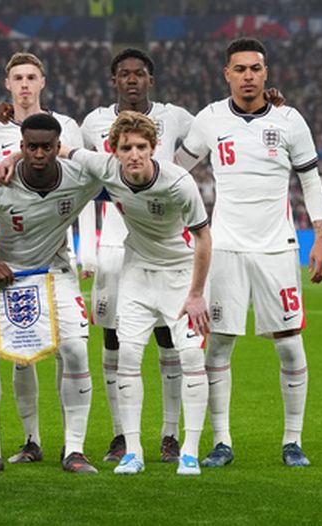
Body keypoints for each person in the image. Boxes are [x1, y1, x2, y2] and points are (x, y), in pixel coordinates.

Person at [175, 38, 322, 468]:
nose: (248, 76)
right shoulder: (209, 118)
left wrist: (321, 236)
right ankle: (222, 441)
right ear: (226, 73)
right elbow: (176, 169)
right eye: (239, 69)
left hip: (277, 250)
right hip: (223, 248)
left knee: (289, 346)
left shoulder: (288, 120)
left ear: (266, 73)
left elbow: (311, 181)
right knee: (219, 345)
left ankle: (292, 441)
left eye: (255, 69)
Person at [0, 113, 103, 475]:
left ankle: (75, 450)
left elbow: (117, 173)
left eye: (46, 147)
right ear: (21, 148)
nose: (39, 153)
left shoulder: (79, 178)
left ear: (58, 148)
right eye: (31, 147)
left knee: (75, 349)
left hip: (55, 271)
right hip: (4, 273)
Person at [66, 111, 211, 475]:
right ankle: (133, 451)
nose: (134, 154)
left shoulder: (178, 183)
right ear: (113, 150)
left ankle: (189, 452)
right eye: (126, 147)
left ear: (154, 147)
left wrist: (196, 294)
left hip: (180, 275)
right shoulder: (106, 167)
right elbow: (63, 151)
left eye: (142, 147)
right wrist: (13, 158)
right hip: (137, 274)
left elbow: (204, 238)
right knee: (128, 357)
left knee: (191, 358)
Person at [78, 48, 195, 463]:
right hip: (114, 244)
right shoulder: (93, 121)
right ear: (113, 80)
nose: (132, 80)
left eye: (139, 74)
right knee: (114, 341)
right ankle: (120, 437)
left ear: (151, 79)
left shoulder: (177, 117)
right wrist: (86, 248)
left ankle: (169, 434)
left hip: (164, 244)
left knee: (169, 337)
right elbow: (76, 171)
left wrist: (271, 107)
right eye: (124, 74)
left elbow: (211, 139)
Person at [0, 51, 85, 464]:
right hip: (13, 250)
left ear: (42, 81)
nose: (24, 85)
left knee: (65, 349)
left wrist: (86, 249)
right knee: (21, 353)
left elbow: (82, 179)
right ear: (8, 84)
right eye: (17, 78)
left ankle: (70, 442)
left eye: (31, 77)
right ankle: (31, 440)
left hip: (57, 251)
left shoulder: (68, 127)